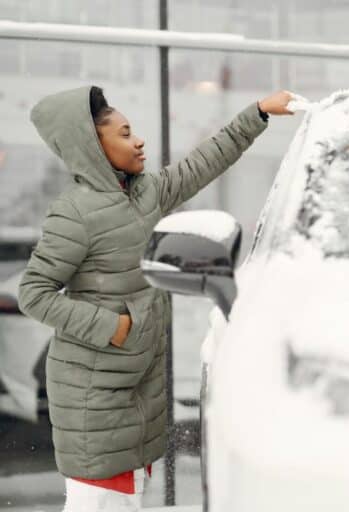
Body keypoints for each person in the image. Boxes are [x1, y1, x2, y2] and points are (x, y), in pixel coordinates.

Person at [17, 85, 293, 511]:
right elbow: (33, 292)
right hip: (95, 394)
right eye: (125, 134)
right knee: (102, 501)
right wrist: (114, 328)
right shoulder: (75, 214)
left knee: (128, 500)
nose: (139, 140)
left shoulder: (146, 194)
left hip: (133, 387)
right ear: (94, 146)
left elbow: (204, 163)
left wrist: (257, 112)